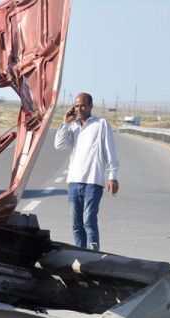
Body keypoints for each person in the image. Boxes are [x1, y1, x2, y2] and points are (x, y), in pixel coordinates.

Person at [54, 92, 119, 251]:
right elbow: (59, 145)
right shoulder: (73, 126)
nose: (79, 108)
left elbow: (110, 152)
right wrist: (65, 122)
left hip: (93, 182)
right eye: (76, 105)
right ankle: (81, 254)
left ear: (91, 106)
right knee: (76, 224)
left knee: (89, 221)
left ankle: (92, 254)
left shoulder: (101, 124)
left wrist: (113, 177)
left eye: (83, 105)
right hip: (74, 182)